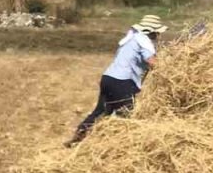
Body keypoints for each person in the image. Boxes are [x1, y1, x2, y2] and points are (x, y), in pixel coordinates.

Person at [69, 14, 167, 145]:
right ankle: (118, 145)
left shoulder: (131, 39)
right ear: (152, 32)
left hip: (108, 78)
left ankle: (80, 134)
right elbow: (152, 61)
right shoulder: (144, 42)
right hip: (122, 81)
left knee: (102, 110)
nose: (158, 36)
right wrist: (167, 67)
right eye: (157, 33)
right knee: (127, 115)